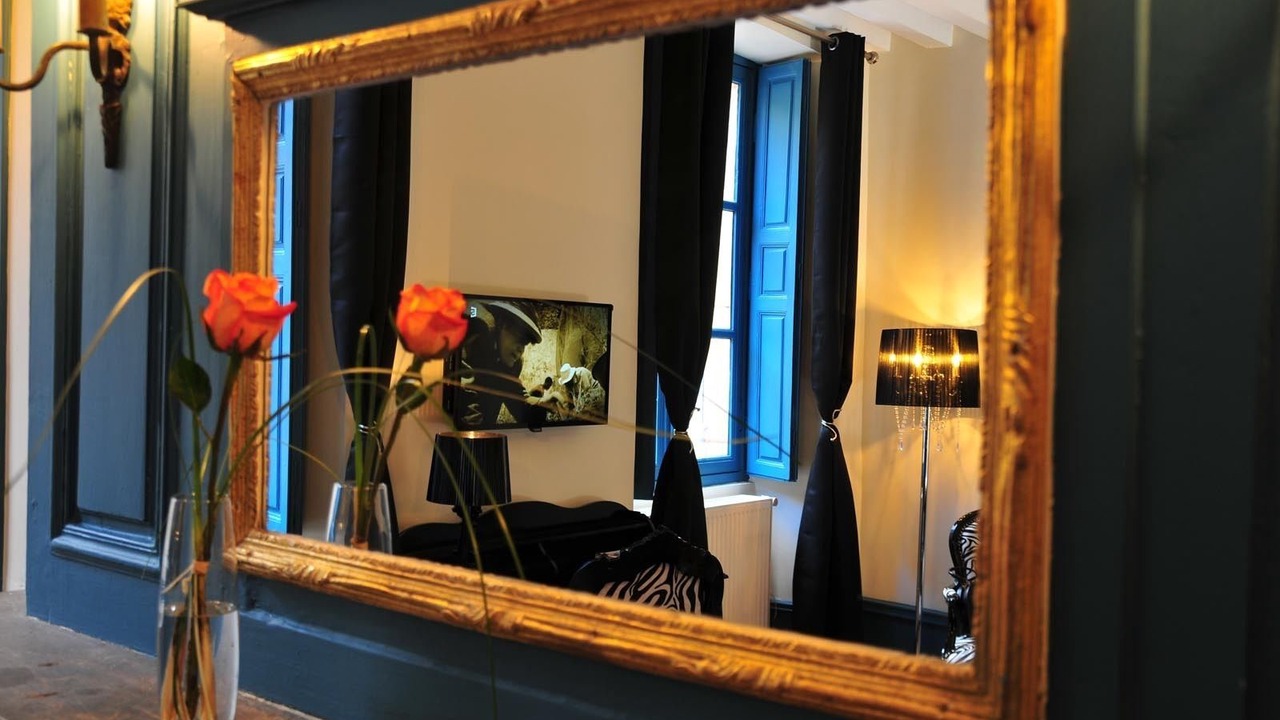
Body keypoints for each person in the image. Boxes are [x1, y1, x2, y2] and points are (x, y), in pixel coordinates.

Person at [454, 299, 544, 428]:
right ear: (501, 324)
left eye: (525, 344)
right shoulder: (473, 340)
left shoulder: (508, 363)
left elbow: (519, 405)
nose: (521, 349)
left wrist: (543, 404)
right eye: (519, 338)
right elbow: (467, 409)